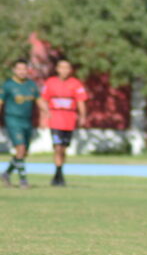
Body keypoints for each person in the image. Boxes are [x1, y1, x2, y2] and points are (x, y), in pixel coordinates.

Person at [41, 58, 88, 187]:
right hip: (55, 119)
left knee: (64, 148)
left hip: (69, 120)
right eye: (61, 67)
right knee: (57, 147)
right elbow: (43, 99)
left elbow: (80, 101)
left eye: (67, 67)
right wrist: (45, 113)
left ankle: (60, 172)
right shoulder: (50, 82)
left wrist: (83, 116)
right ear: (57, 68)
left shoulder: (75, 83)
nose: (64, 70)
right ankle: (58, 174)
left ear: (70, 70)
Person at [1, 59, 46, 189]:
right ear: (14, 70)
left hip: (27, 121)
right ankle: (23, 180)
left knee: (24, 152)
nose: (22, 71)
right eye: (19, 69)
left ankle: (6, 173)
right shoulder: (8, 85)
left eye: (24, 69)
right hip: (13, 119)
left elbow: (39, 100)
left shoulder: (31, 85)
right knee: (20, 148)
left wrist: (46, 114)